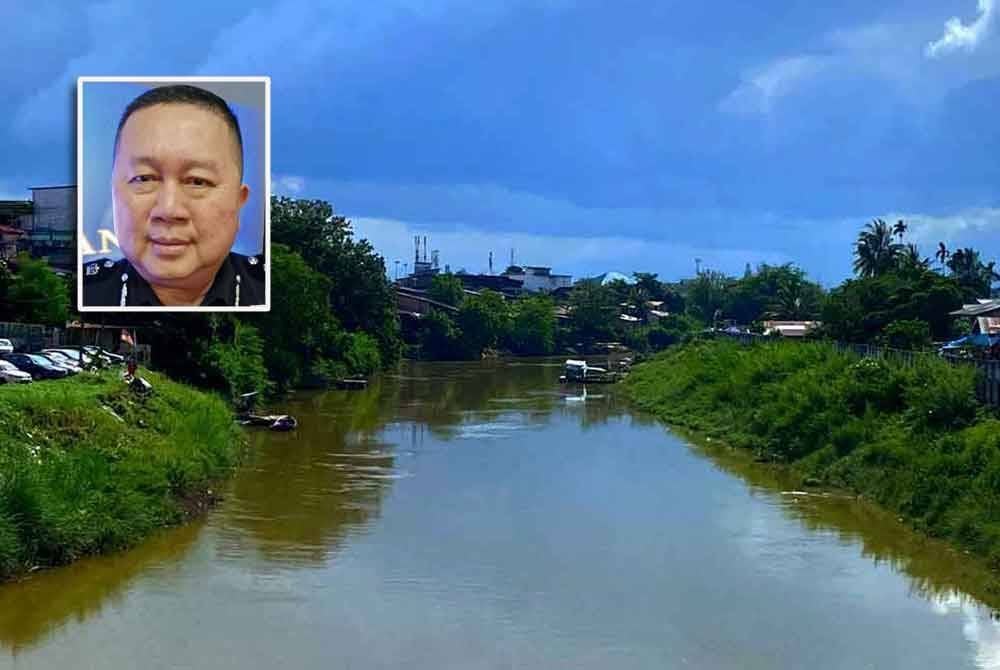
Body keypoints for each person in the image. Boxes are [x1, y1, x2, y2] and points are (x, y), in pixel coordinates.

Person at [83, 84, 265, 307]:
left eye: (197, 181)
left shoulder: (276, 290)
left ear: (239, 202)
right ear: (114, 192)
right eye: (144, 178)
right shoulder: (82, 291)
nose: (168, 210)